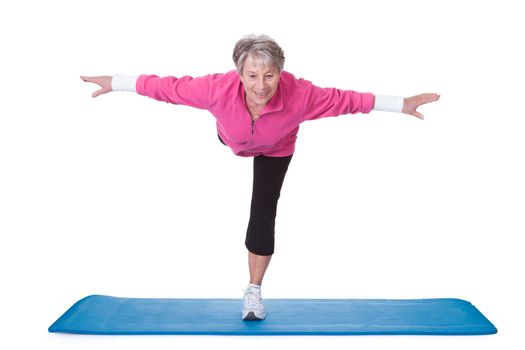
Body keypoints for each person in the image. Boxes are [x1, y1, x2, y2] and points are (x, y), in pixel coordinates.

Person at [81, 34, 440, 321]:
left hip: (277, 146)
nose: (262, 85)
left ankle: (253, 292)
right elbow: (168, 87)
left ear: (280, 73)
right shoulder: (214, 89)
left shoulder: (301, 95)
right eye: (252, 76)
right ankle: (234, 137)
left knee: (264, 207)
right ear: (239, 74)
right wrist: (116, 81)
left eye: (269, 75)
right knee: (231, 136)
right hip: (233, 138)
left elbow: (347, 100)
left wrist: (401, 103)